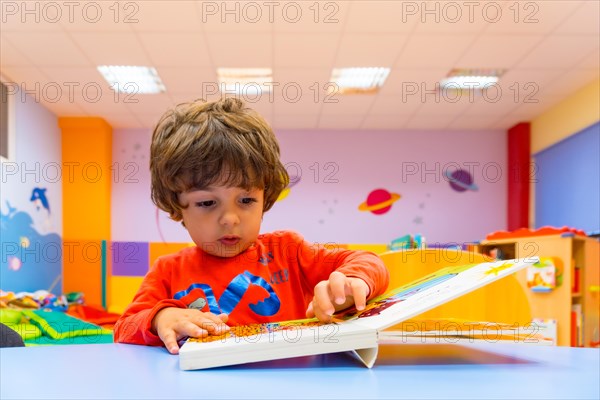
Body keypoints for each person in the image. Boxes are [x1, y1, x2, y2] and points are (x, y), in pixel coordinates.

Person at [113, 97, 389, 354]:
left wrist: (353, 282)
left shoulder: (288, 251)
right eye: (207, 203)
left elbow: (369, 261)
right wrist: (161, 317)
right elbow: (124, 328)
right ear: (177, 205)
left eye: (246, 199)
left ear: (264, 197)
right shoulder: (168, 271)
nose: (230, 218)